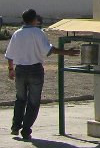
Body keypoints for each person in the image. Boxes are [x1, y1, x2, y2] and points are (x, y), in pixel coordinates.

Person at [5, 8, 79, 140]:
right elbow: (49, 50)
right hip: (35, 70)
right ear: (35, 20)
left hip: (20, 69)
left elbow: (9, 55)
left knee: (20, 99)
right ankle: (26, 130)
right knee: (33, 102)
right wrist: (67, 52)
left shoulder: (17, 33)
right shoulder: (38, 33)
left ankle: (15, 126)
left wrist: (11, 70)